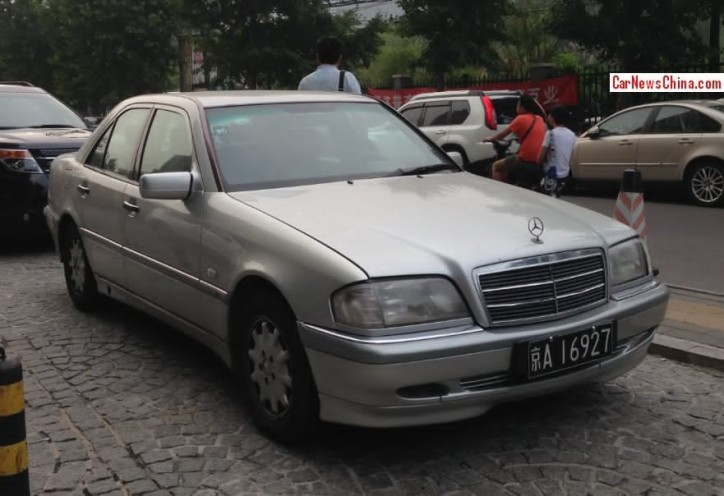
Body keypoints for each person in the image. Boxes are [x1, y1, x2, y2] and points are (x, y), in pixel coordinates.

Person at [483, 94, 547, 188]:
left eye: (518, 104)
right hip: (537, 160)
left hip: (524, 158)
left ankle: (500, 190)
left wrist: (490, 138)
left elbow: (502, 135)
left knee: (496, 166)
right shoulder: (539, 119)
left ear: (521, 106)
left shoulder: (520, 119)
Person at [537, 106, 576, 197]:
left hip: (551, 174)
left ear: (553, 118)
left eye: (550, 115)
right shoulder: (572, 135)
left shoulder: (550, 134)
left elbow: (540, 158)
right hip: (564, 174)